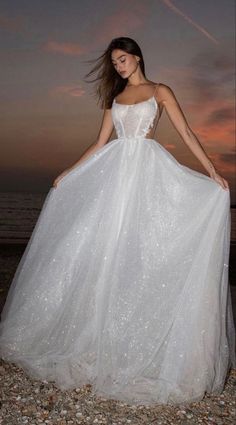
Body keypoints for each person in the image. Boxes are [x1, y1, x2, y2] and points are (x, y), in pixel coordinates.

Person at [0, 36, 235, 406]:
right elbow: (99, 142)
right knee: (103, 250)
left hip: (147, 174)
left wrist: (211, 171)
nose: (119, 67)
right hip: (114, 176)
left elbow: (187, 132)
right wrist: (69, 172)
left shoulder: (160, 90)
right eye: (115, 62)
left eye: (123, 60)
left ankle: (135, 338)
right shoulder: (115, 99)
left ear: (137, 57)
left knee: (140, 252)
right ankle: (97, 337)